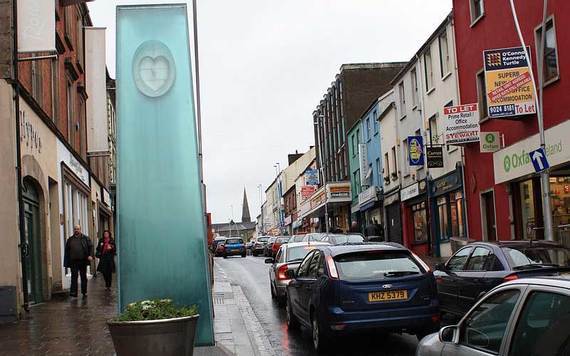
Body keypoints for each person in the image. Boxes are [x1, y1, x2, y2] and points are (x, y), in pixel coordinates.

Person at [63, 225, 93, 298]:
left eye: (78, 229)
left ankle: (84, 291)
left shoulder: (86, 238)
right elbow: (67, 250)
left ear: (80, 229)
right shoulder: (70, 239)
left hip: (83, 260)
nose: (76, 230)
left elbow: (91, 247)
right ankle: (74, 292)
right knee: (74, 277)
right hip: (73, 261)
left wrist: (90, 255)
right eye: (75, 229)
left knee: (83, 277)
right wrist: (67, 261)